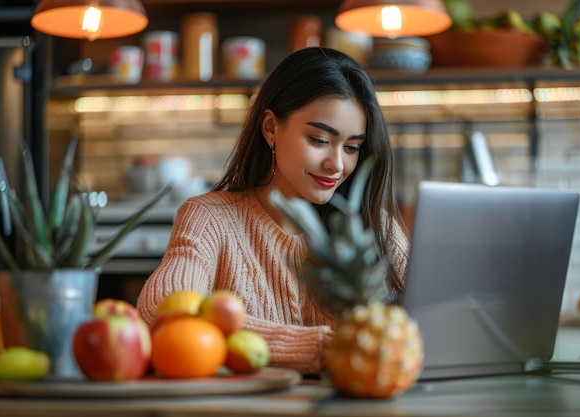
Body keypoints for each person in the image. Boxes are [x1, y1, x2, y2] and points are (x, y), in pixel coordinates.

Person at [136, 47, 410, 375]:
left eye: (351, 148)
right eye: (320, 139)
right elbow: (163, 310)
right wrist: (322, 348)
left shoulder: (375, 225)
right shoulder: (210, 219)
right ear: (271, 128)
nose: (337, 165)